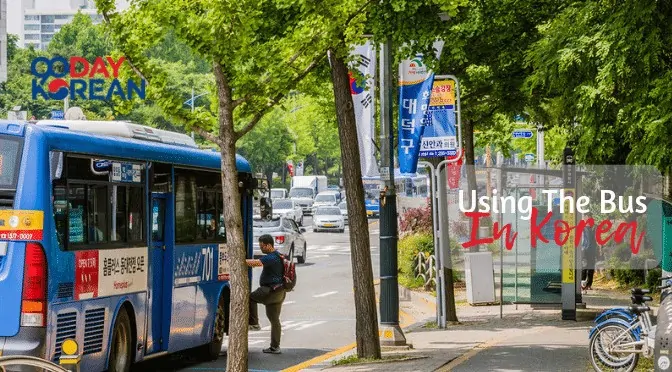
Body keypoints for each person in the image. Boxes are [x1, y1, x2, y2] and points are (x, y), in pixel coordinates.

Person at [247, 234, 286, 354]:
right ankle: (275, 347)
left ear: (268, 245)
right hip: (280, 292)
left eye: (262, 246)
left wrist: (239, 260)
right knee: (275, 320)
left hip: (269, 291)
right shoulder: (278, 255)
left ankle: (254, 323)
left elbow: (255, 263)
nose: (261, 248)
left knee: (250, 298)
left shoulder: (272, 257)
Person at [581, 212, 597, 292]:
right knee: (584, 267)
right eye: (586, 216)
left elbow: (596, 238)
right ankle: (582, 284)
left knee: (591, 268)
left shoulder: (594, 227)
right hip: (584, 250)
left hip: (592, 249)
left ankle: (589, 285)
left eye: (588, 217)